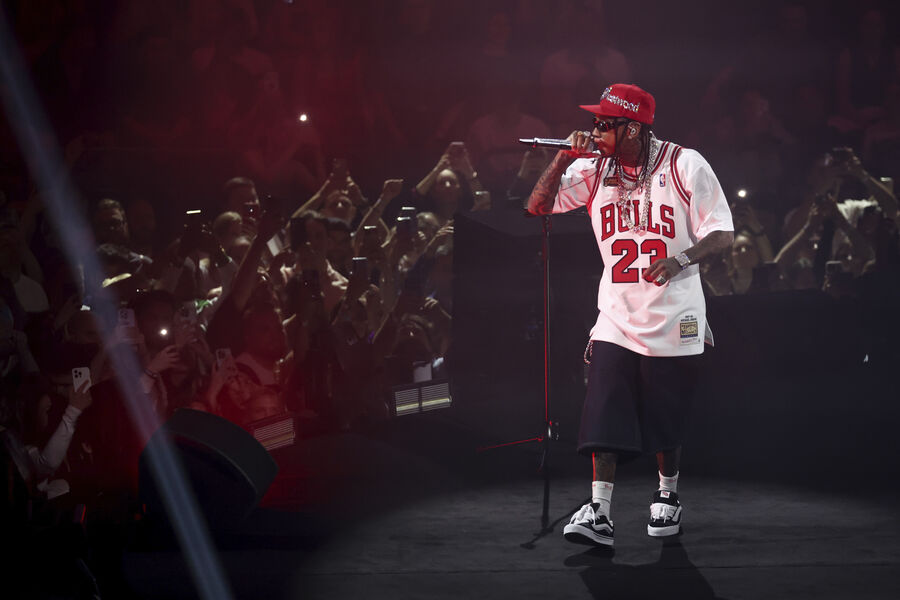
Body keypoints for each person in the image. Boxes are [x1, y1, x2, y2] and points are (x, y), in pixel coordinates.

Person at [526, 84, 734, 546]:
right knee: (603, 407)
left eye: (605, 124)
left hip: (674, 313)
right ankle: (599, 511)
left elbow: (723, 233)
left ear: (634, 129)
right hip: (616, 316)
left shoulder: (685, 164)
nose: (595, 131)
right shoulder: (594, 168)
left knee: (665, 416)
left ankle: (667, 496)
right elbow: (537, 206)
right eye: (595, 122)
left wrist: (681, 259)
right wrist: (562, 159)